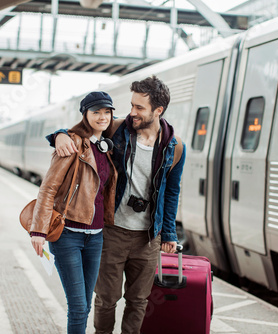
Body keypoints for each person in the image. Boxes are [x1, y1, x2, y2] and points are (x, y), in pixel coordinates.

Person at [48, 75, 186, 334]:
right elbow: (82, 131)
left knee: (138, 300)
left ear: (158, 110)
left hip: (147, 237)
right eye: (131, 105)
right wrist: (58, 135)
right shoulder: (117, 130)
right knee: (106, 299)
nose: (131, 112)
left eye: (139, 108)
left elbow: (172, 192)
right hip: (112, 231)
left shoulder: (175, 147)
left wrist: (168, 233)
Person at [30, 91, 118, 334]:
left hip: (96, 237)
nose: (102, 117)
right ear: (85, 114)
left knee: (85, 305)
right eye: (96, 112)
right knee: (78, 306)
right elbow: (48, 188)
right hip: (68, 235)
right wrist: (38, 230)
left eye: (107, 112)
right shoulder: (72, 143)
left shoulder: (107, 146)